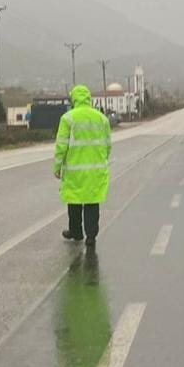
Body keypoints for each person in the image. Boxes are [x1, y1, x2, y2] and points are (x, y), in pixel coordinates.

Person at [54, 84, 111, 246]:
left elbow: (61, 145)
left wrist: (57, 167)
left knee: (75, 201)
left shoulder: (67, 118)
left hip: (74, 170)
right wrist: (102, 161)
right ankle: (91, 236)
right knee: (92, 203)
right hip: (96, 170)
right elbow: (107, 145)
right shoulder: (102, 119)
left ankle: (76, 232)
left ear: (74, 99)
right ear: (88, 98)